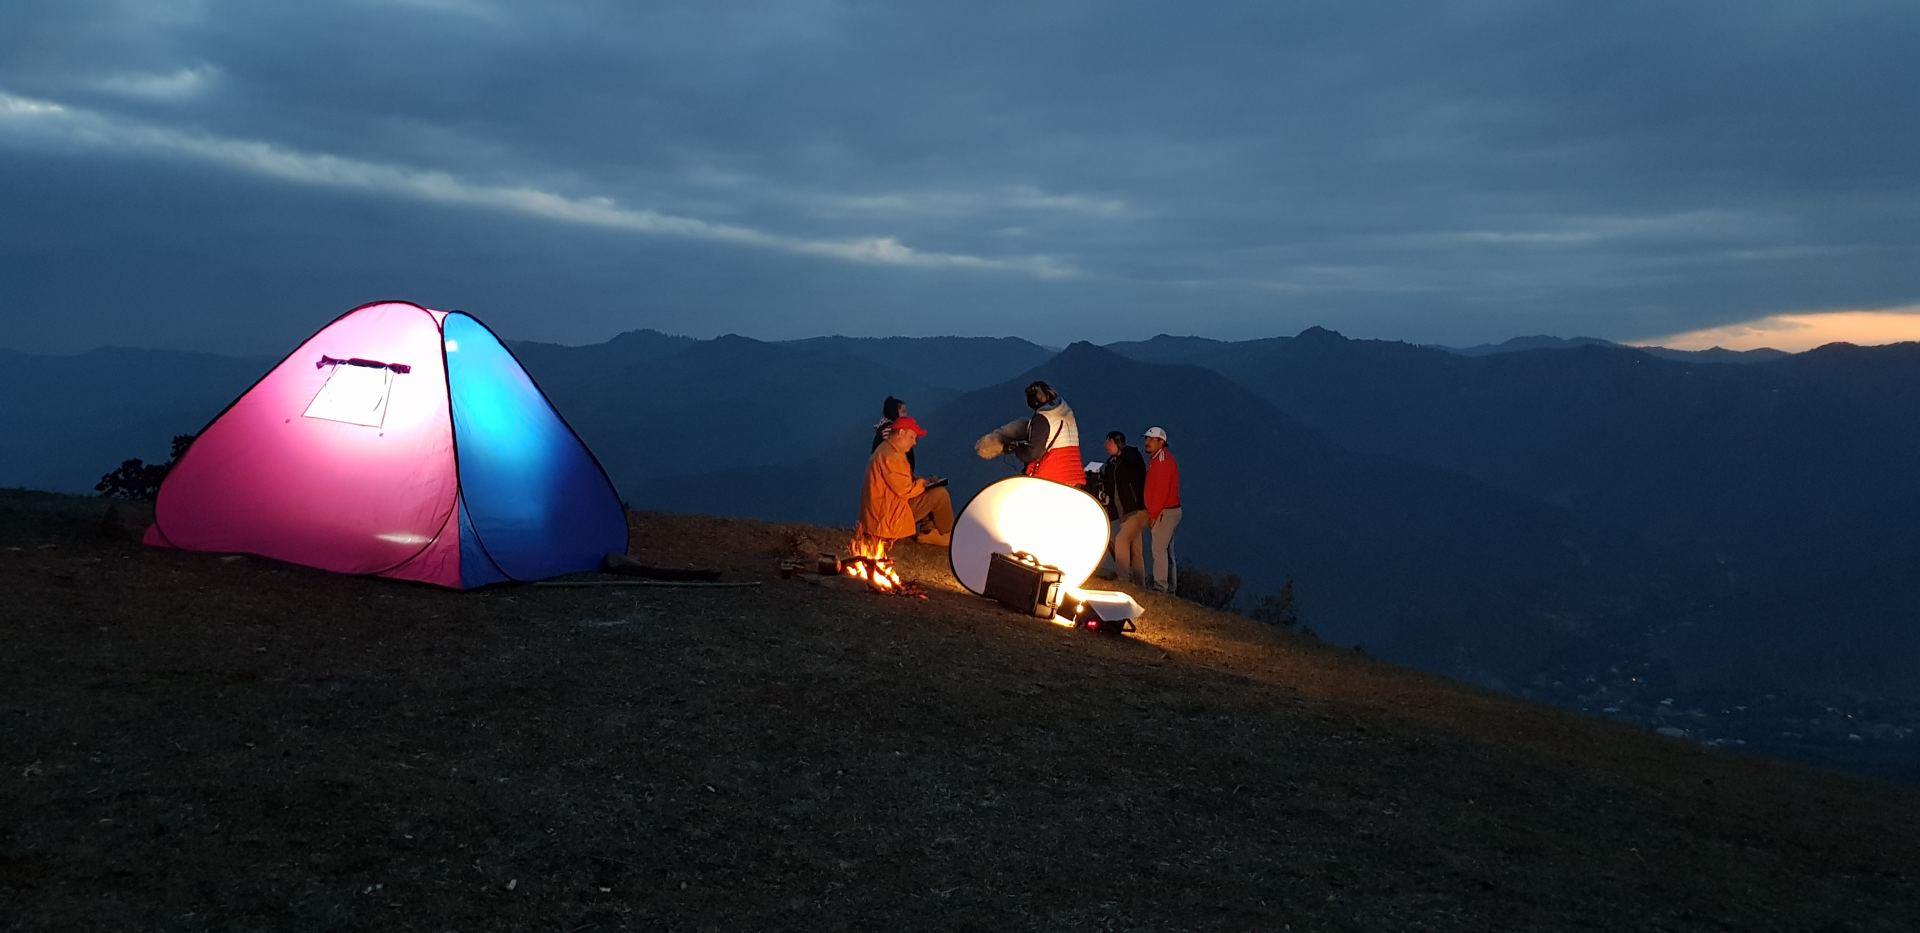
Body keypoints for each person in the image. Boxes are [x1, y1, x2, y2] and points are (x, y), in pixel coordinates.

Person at [856, 416, 953, 548]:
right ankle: (947, 534)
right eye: (912, 437)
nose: (914, 442)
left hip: (882, 513)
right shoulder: (892, 456)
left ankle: (929, 532)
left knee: (931, 491)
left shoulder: (886, 450)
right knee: (940, 494)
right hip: (887, 518)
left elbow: (900, 480)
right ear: (901, 433)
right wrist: (923, 484)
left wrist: (921, 481)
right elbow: (905, 490)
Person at [1020, 381, 1083, 487]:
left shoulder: (1043, 417)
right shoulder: (1066, 413)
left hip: (1051, 478)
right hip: (1074, 477)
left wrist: (1018, 449)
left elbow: (1033, 453)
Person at [1141, 425, 1181, 593]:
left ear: (1161, 442)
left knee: (1158, 550)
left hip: (1165, 511)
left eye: (1151, 439)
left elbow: (1161, 490)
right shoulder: (1158, 459)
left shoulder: (1162, 460)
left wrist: (1154, 514)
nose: (1147, 442)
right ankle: (1170, 587)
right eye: (1147, 439)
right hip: (1167, 510)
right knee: (1166, 550)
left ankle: (1160, 586)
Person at [870, 396, 914, 470]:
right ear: (894, 413)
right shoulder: (890, 433)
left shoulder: (883, 429)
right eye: (903, 412)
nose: (906, 415)